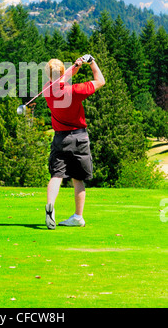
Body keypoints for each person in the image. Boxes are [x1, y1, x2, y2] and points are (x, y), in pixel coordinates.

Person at [44, 55, 105, 230]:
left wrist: (76, 66)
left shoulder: (47, 89)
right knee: (78, 178)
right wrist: (91, 62)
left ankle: (50, 206)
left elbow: (60, 79)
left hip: (60, 138)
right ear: (63, 72)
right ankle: (78, 216)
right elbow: (100, 81)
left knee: (57, 175)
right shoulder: (75, 91)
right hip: (79, 138)